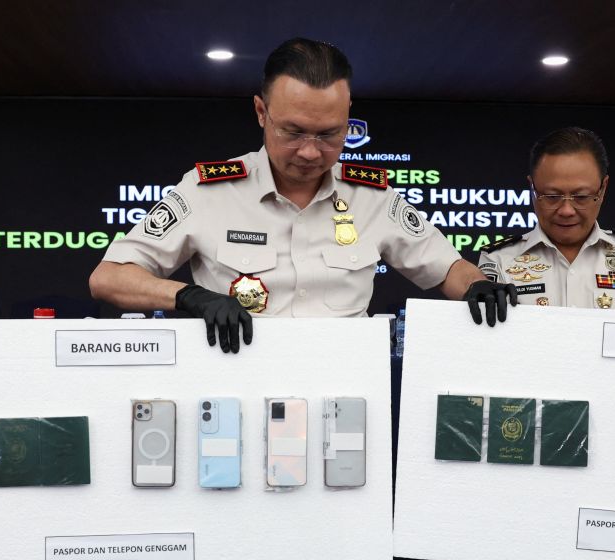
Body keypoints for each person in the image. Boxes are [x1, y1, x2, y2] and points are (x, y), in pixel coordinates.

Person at [89, 37, 514, 353]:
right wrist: (189, 297)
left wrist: (478, 285)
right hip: (236, 386)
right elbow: (108, 278)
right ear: (261, 113)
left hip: (347, 391)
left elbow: (448, 268)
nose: (311, 152)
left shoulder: (373, 196)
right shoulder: (208, 191)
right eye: (292, 132)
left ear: (348, 120)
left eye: (330, 134)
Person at [476, 127, 615, 312]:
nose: (566, 210)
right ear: (532, 188)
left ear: (603, 189)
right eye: (552, 196)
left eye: (581, 197)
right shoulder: (499, 261)